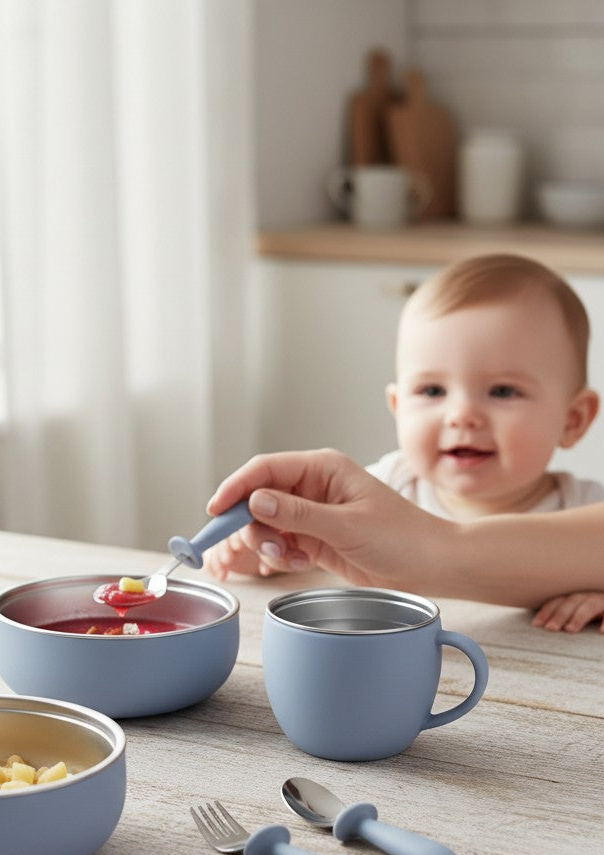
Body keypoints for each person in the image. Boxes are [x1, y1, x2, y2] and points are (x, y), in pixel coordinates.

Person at [205, 253, 604, 633]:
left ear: (573, 419)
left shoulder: (582, 507)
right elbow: (303, 547)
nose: (461, 415)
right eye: (432, 390)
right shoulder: (384, 489)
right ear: (397, 406)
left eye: (502, 391)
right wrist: (263, 552)